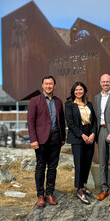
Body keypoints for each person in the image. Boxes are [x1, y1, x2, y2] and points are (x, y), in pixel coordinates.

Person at [27, 75, 65, 208]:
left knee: (53, 167)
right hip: (41, 139)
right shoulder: (35, 100)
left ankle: (49, 193)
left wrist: (63, 138)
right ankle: (40, 195)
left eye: (51, 84)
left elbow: (61, 120)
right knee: (40, 166)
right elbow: (30, 122)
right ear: (42, 85)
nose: (49, 86)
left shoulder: (58, 101)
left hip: (56, 138)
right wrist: (33, 140)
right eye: (46, 84)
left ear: (54, 85)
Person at [65, 82, 97, 204]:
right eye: (76, 89)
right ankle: (79, 189)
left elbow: (94, 120)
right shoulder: (69, 105)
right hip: (78, 136)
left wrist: (93, 134)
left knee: (87, 162)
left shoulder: (88, 104)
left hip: (90, 134)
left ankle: (83, 185)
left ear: (84, 91)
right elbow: (70, 123)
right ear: (73, 91)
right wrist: (82, 135)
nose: (79, 91)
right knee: (79, 163)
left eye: (81, 89)